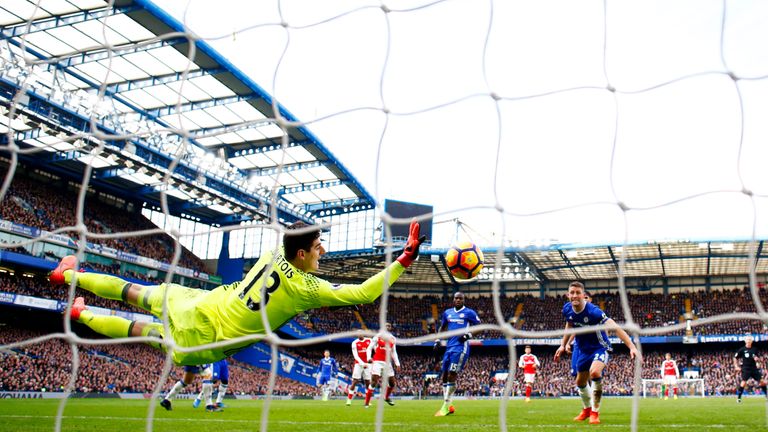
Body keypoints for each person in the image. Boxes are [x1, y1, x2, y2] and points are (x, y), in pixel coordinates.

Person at [50, 221, 426, 365]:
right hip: (206, 340)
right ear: (301, 254)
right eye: (318, 246)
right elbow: (363, 293)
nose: (323, 250)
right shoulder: (306, 288)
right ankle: (81, 315)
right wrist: (405, 257)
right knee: (140, 332)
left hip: (201, 303)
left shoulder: (275, 251)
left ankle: (70, 276)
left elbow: (291, 234)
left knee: (136, 292)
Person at [554, 281, 638, 425]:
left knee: (595, 373)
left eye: (577, 293)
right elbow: (569, 324)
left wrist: (631, 346)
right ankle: (586, 409)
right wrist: (563, 345)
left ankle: (595, 412)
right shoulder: (567, 309)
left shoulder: (594, 312)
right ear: (568, 295)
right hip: (583, 349)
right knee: (579, 382)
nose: (574, 295)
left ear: (583, 295)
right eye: (572, 292)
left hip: (600, 347)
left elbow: (615, 327)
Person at [432, 291, 480, 417]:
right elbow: (442, 328)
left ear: (463, 300)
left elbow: (479, 327)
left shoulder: (469, 313)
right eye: (456, 298)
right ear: (453, 300)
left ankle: (445, 406)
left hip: (460, 348)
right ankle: (448, 404)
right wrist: (437, 340)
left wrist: (467, 336)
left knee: (452, 374)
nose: (458, 300)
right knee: (445, 375)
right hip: (449, 347)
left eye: (460, 298)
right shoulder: (448, 313)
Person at [364, 322, 400, 408]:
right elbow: (369, 348)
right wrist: (369, 357)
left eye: (389, 326)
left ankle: (386, 397)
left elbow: (394, 352)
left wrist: (397, 363)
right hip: (377, 362)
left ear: (390, 328)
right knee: (374, 381)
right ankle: (366, 403)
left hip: (388, 363)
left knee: (392, 383)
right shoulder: (378, 336)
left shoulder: (392, 338)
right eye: (386, 326)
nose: (387, 327)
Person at [734, 335, 768, 403]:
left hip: (754, 368)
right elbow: (735, 357)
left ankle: (767, 395)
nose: (749, 341)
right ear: (745, 341)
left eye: (750, 340)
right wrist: (736, 366)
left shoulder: (755, 349)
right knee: (743, 383)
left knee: (762, 382)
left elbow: (757, 358)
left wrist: (757, 359)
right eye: (747, 340)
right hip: (746, 368)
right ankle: (739, 398)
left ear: (752, 341)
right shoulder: (742, 349)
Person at [347, 333, 372, 406]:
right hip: (358, 364)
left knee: (368, 382)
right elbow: (355, 356)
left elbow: (375, 346)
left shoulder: (369, 340)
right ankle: (349, 400)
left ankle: (367, 401)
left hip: (367, 364)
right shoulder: (354, 343)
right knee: (355, 381)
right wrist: (362, 363)